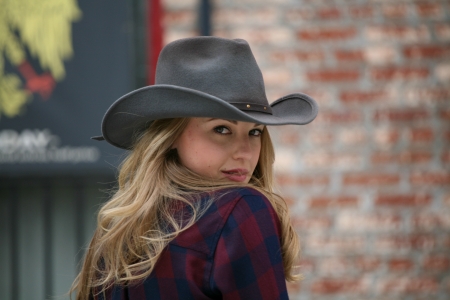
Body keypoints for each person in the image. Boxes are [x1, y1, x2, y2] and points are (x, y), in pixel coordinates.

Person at [71, 36, 318, 300]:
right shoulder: (241, 210)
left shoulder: (115, 231)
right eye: (221, 129)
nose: (245, 152)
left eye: (255, 132)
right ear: (172, 134)